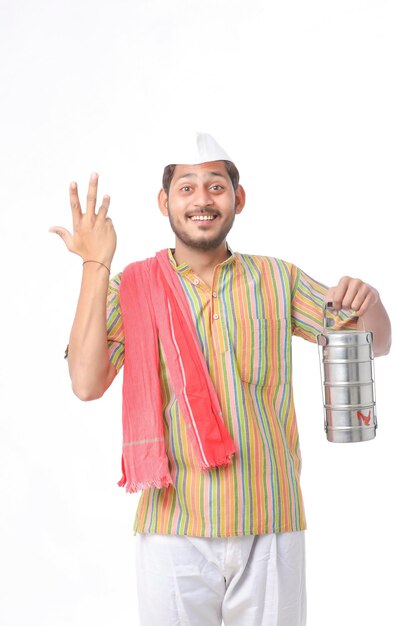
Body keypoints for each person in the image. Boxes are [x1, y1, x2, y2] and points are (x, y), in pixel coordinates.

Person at [50, 133, 391, 626]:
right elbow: (85, 382)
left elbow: (373, 342)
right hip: (173, 527)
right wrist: (95, 263)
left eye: (216, 186)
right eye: (186, 188)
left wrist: (372, 302)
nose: (202, 200)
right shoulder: (135, 286)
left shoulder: (278, 279)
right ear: (165, 202)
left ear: (238, 198)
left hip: (270, 521)